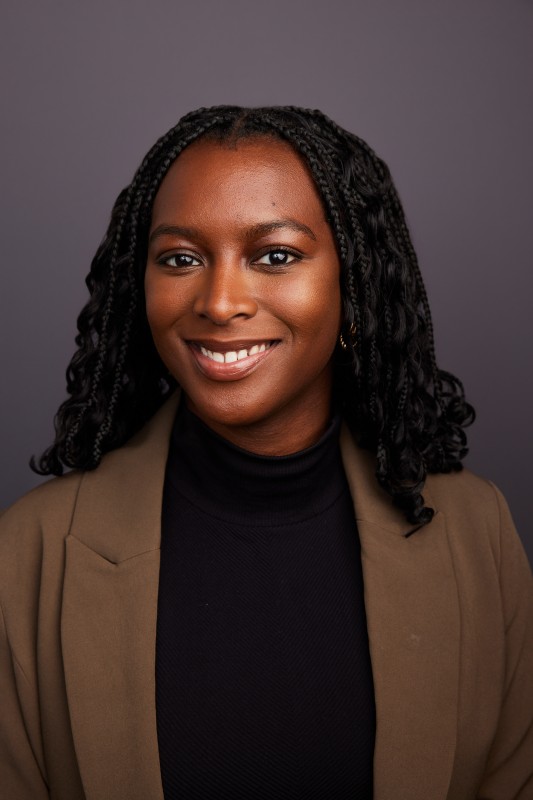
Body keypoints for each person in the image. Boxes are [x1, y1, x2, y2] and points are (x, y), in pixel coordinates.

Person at [0, 106, 531, 800]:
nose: (220, 303)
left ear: (354, 282)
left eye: (275, 256)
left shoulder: (475, 530)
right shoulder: (30, 551)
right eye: (180, 259)